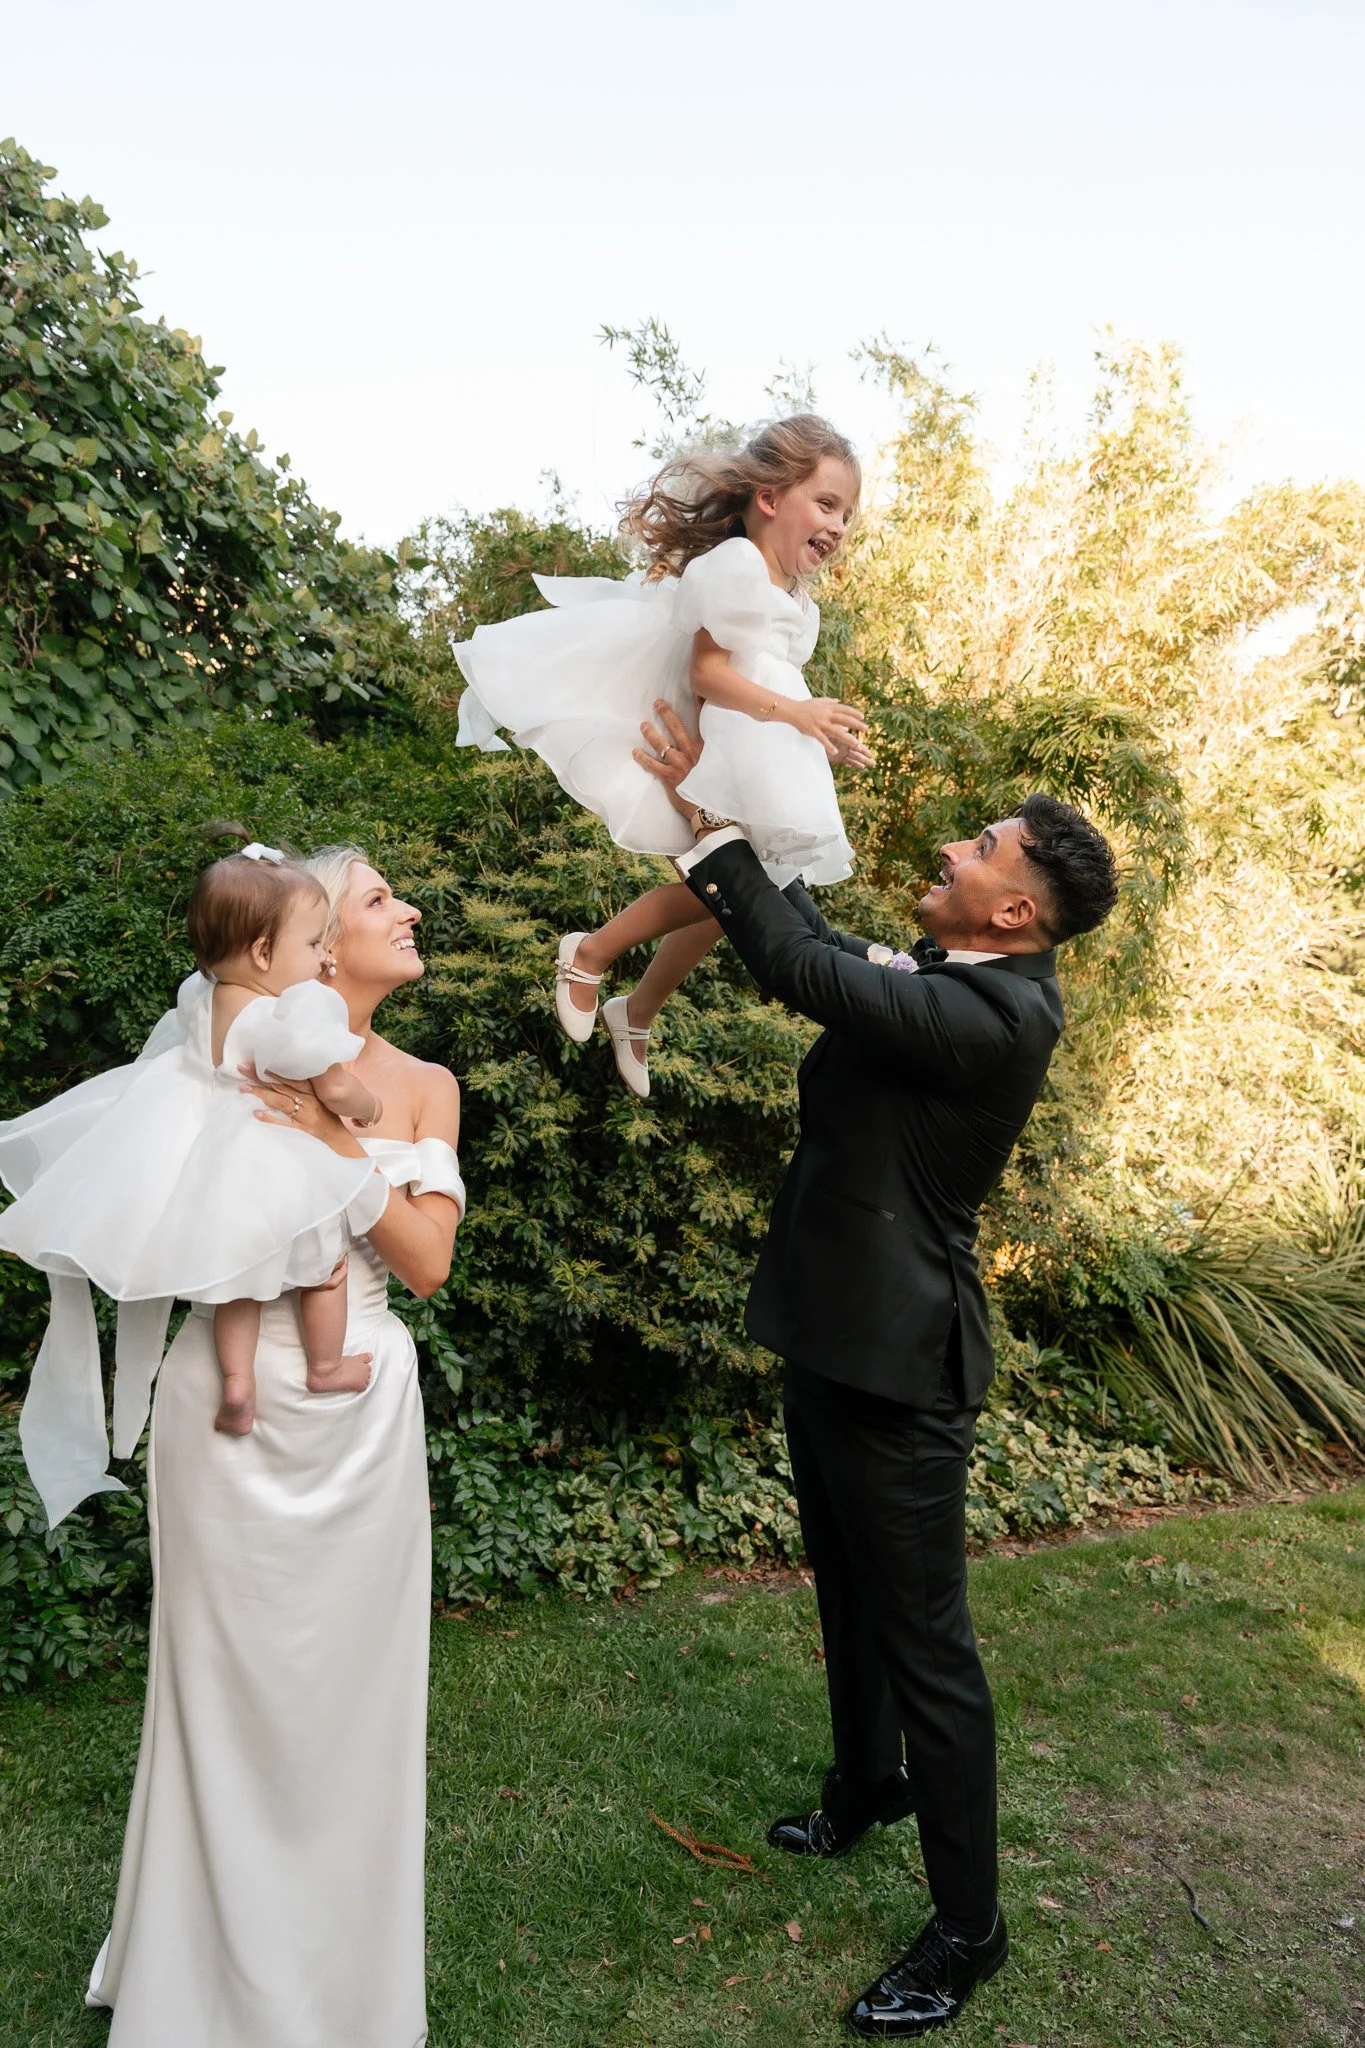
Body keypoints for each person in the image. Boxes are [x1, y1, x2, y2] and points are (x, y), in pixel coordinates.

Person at [635, 704, 1119, 2041]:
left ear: (1016, 912)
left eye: (981, 847)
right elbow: (801, 942)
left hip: (904, 1370)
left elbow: (798, 968)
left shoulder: (994, 1017)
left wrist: (715, 816)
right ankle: (865, 1786)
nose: (956, 849)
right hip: (834, 1332)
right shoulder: (940, 973)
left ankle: (969, 1931)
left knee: (930, 1653)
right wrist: (713, 818)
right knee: (842, 1584)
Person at [73, 845, 459, 2048]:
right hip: (229, 1408)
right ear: (312, 945)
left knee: (352, 1704)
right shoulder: (211, 1051)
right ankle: (194, 1989)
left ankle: (345, 1996)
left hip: (360, 1416)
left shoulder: (426, 1083)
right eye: (379, 897)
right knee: (221, 1695)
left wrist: (332, 1139)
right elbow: (156, 1211)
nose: (408, 909)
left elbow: (428, 1263)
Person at [454, 413, 873, 1097]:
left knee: (728, 894)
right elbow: (708, 673)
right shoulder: (737, 566)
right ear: (769, 499)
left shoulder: (789, 595)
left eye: (848, 515)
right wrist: (797, 715)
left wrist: (811, 730)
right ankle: (590, 953)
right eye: (826, 504)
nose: (839, 526)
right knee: (738, 884)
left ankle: (635, 1009)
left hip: (740, 741)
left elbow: (760, 675)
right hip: (702, 735)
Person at [0, 843, 395, 1512]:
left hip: (208, 1155)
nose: (319, 960)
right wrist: (368, 1104)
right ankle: (326, 1366)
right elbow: (329, 1082)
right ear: (266, 955)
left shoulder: (201, 996)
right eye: (310, 944)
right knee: (326, 1265)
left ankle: (237, 1383)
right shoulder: (282, 1014)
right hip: (267, 1151)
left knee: (236, 1280)